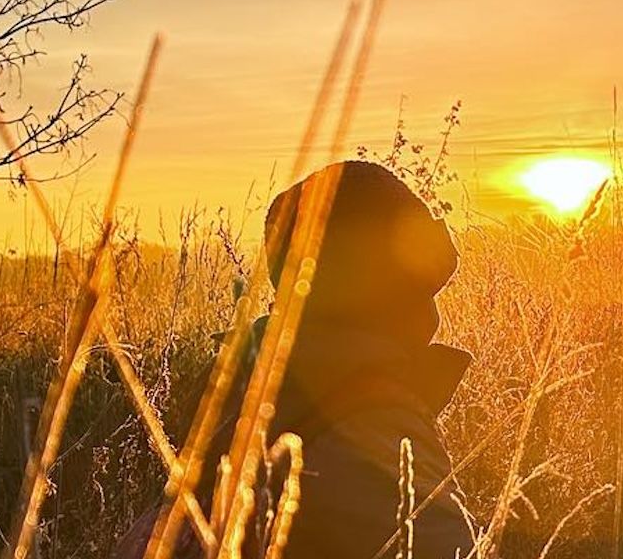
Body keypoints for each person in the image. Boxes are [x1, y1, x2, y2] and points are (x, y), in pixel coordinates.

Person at [115, 160, 475, 559]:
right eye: (422, 289)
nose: (432, 316)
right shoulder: (372, 421)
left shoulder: (242, 379)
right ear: (391, 295)